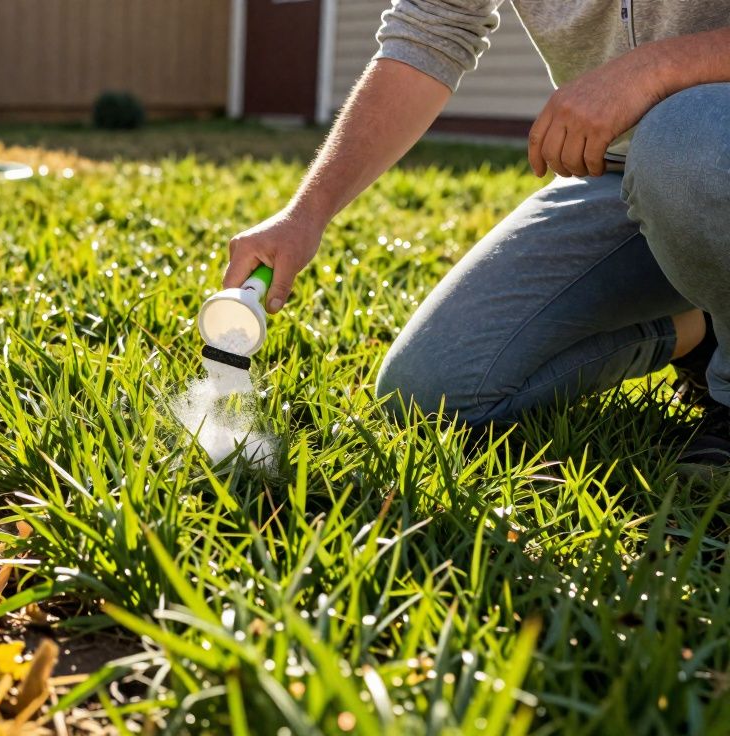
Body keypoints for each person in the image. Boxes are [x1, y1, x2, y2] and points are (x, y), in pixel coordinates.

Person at [225, 1, 730, 459]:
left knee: (683, 141)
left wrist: (657, 68)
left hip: (707, 150)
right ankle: (700, 330)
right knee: (427, 394)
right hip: (614, 173)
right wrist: (304, 214)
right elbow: (430, 31)